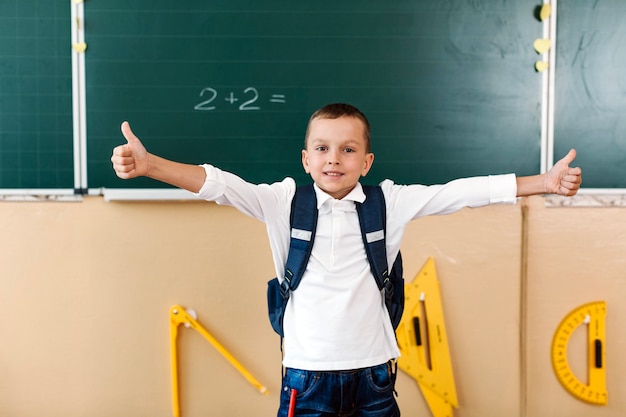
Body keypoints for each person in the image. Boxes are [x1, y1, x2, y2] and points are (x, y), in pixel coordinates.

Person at [111, 103, 582, 417]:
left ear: (367, 161)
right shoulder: (282, 202)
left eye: (348, 149)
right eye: (322, 148)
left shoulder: (388, 203)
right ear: (305, 158)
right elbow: (218, 184)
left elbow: (458, 193)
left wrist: (543, 182)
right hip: (306, 377)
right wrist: (151, 165)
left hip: (374, 376)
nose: (334, 159)